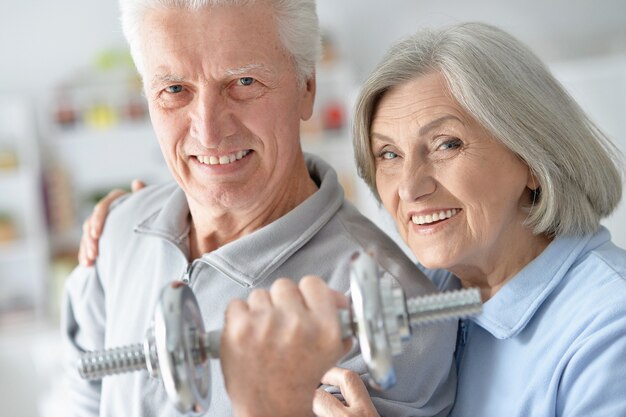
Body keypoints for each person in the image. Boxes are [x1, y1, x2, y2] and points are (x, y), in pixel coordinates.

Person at [84, 20, 626, 417]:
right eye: (388, 154)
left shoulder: (609, 328)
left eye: (446, 144)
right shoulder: (445, 288)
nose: (410, 187)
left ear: (532, 159)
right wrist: (134, 221)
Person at [61, 1, 458, 416]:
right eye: (175, 90)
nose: (210, 132)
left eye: (244, 81)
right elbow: (80, 398)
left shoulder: (395, 315)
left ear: (307, 87)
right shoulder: (116, 232)